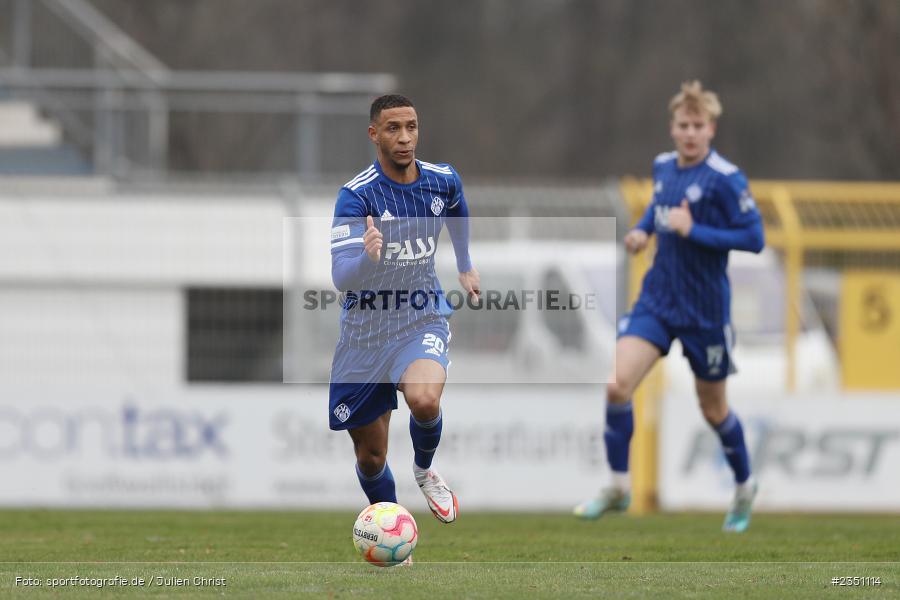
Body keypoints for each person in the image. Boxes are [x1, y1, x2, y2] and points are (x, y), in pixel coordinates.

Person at [574, 80, 764, 532]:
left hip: (705, 312)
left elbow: (754, 239)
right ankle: (619, 487)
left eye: (699, 125)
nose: (691, 132)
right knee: (618, 386)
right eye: (684, 124)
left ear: (711, 128)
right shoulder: (663, 167)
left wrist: (691, 229)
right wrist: (644, 231)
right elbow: (658, 211)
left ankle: (743, 487)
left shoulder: (726, 178)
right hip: (657, 301)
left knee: (714, 410)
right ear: (673, 127)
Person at [328, 94, 480, 524]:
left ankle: (425, 469)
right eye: (393, 128)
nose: (404, 137)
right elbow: (341, 276)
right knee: (372, 457)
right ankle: (392, 529)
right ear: (375, 134)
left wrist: (465, 265)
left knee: (425, 399)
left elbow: (458, 208)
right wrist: (367, 258)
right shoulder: (355, 197)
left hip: (420, 316)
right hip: (364, 336)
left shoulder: (441, 179)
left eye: (411, 126)